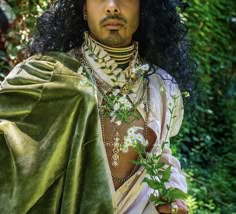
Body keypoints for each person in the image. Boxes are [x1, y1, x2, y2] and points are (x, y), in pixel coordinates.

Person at [0, 0, 194, 213]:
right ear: (84, 8)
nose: (112, 6)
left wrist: (172, 193)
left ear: (144, 7)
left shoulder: (164, 86)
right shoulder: (45, 77)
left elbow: (162, 155)